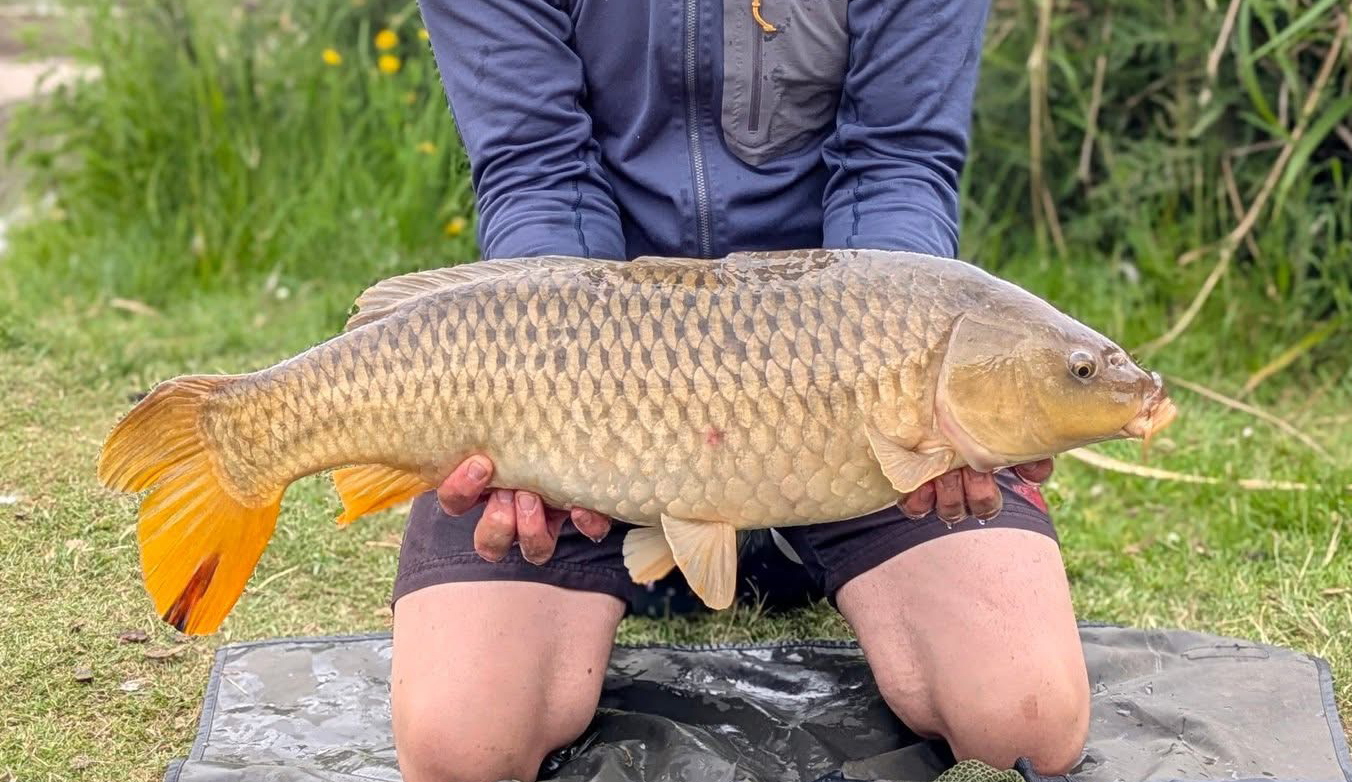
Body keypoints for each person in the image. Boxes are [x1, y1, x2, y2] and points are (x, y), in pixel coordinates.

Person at [391, 0, 1089, 780]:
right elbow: (538, 174)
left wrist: (905, 369)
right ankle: (682, 548)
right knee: (462, 745)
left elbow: (896, 164)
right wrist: (550, 414)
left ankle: (780, 542)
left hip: (833, 374)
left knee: (1025, 719)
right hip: (593, 356)